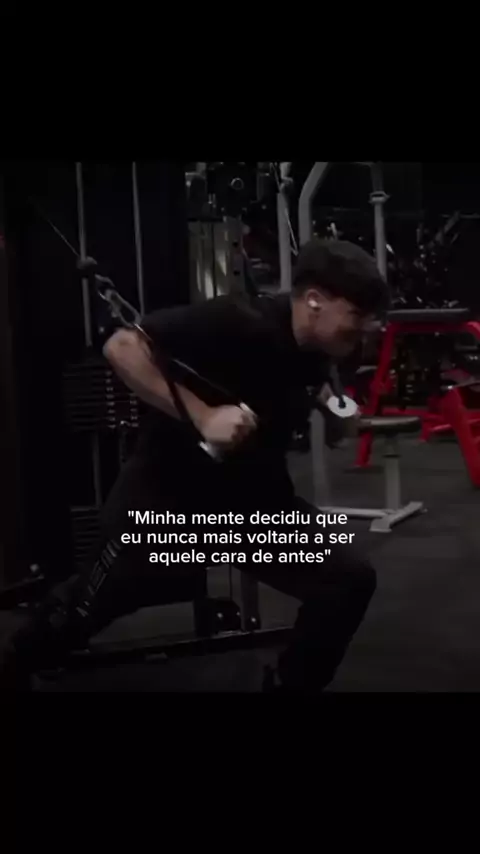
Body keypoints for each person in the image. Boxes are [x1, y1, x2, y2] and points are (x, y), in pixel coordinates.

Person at [2, 239, 389, 693]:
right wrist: (204, 416)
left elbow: (298, 378)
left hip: (253, 506)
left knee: (347, 581)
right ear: (315, 301)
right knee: (77, 615)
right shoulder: (236, 320)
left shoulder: (323, 346)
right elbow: (123, 346)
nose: (367, 328)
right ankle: (15, 664)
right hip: (167, 504)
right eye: (357, 314)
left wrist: (332, 407)